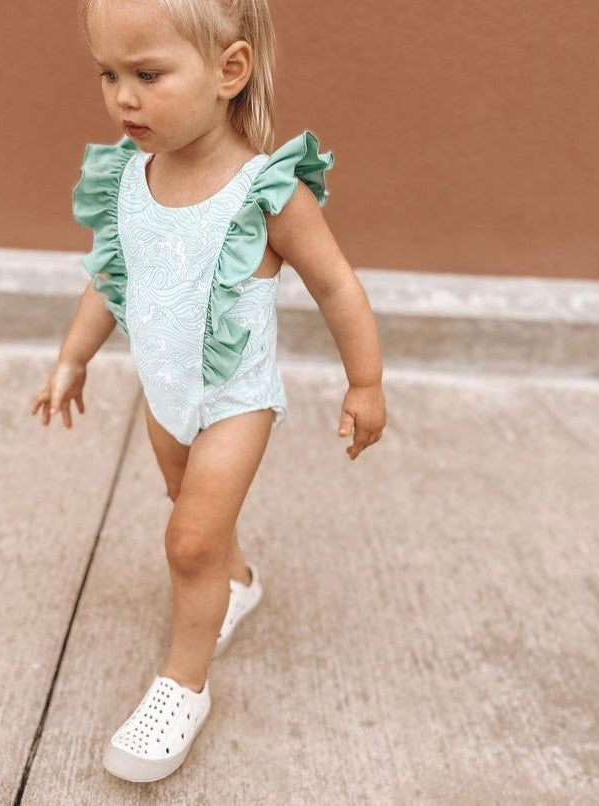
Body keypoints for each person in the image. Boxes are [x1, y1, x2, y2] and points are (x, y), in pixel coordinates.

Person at [31, 0, 387, 784]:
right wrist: (73, 357)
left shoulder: (266, 193)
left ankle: (181, 687)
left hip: (233, 399)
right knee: (190, 508)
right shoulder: (128, 178)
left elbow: (336, 286)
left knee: (189, 540)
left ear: (230, 71)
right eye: (108, 75)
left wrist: (365, 380)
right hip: (165, 392)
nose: (123, 97)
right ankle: (240, 585)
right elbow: (108, 279)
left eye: (147, 75)